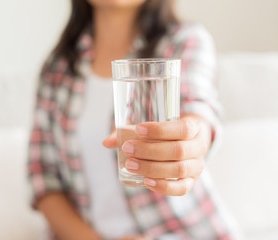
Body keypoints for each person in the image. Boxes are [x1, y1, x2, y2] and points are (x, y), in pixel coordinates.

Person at [28, 0, 239, 239]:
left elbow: (197, 109)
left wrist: (193, 139)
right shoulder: (57, 68)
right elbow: (43, 177)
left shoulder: (184, 41)